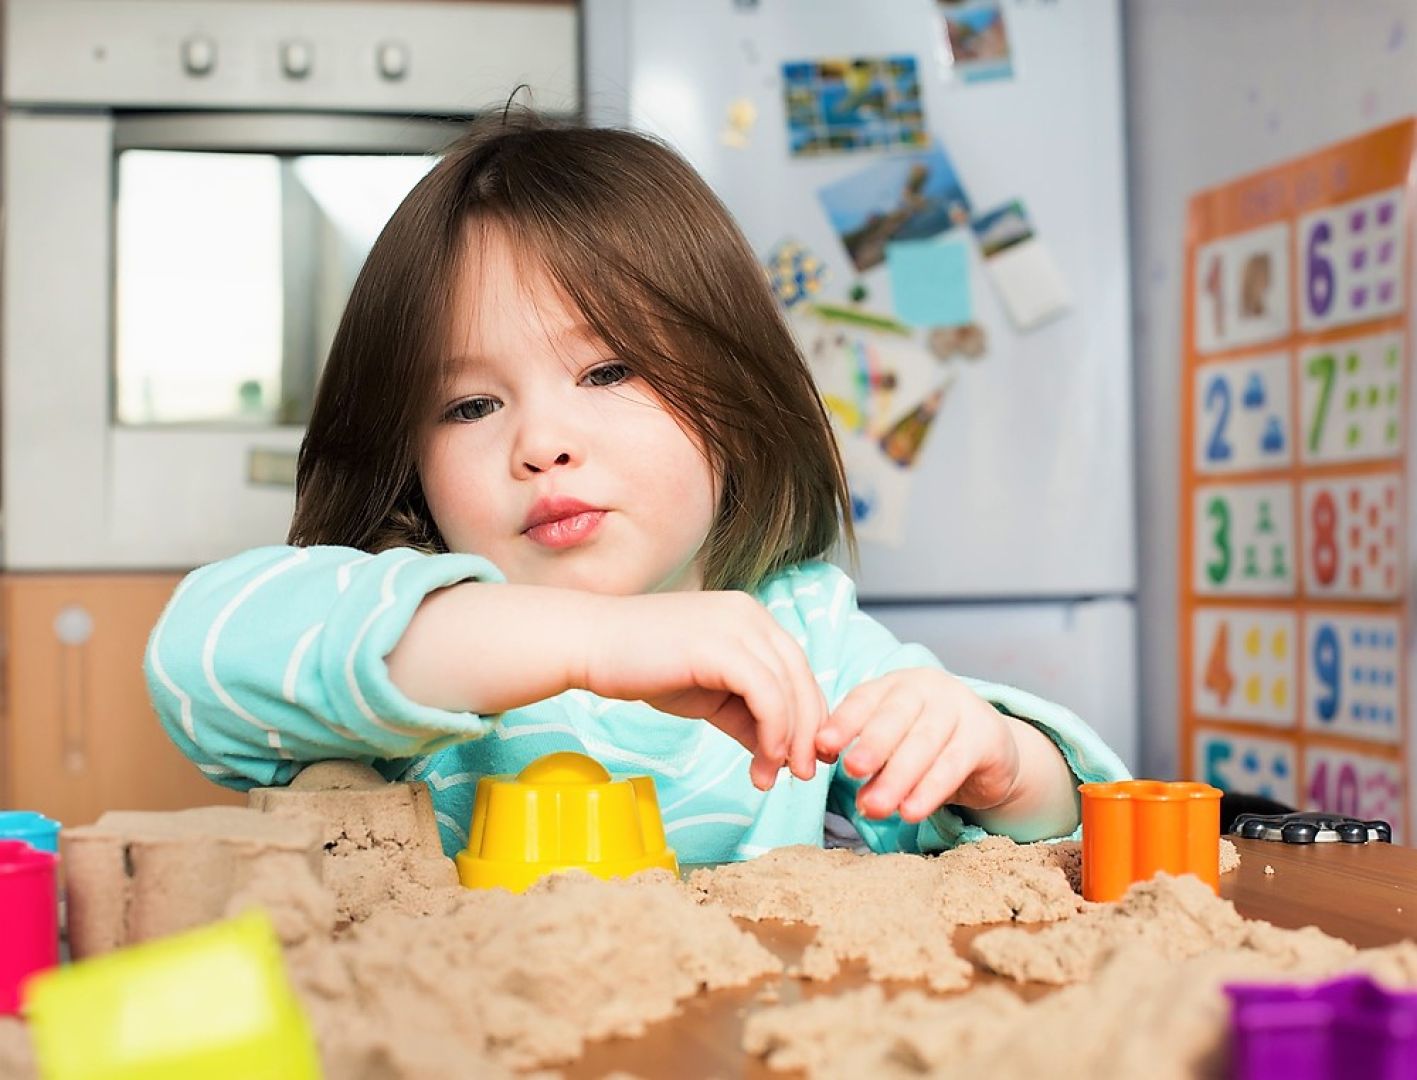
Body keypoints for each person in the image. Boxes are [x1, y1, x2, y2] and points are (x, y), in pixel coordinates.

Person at [145, 109, 1128, 864]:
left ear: (735, 400)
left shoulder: (812, 649)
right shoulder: (405, 649)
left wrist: (1001, 766)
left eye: (608, 374)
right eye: (469, 406)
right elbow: (200, 660)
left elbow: (1066, 841)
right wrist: (592, 644)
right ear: (408, 460)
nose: (541, 443)